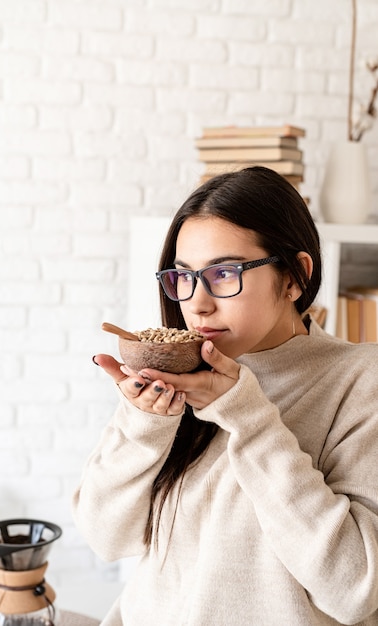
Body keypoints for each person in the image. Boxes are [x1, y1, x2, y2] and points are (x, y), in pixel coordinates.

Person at [72, 166, 378, 625]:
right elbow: (106, 539)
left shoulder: (360, 380)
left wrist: (249, 416)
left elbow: (354, 589)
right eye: (183, 277)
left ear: (295, 276)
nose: (196, 303)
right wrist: (144, 425)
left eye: (224, 273)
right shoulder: (179, 375)